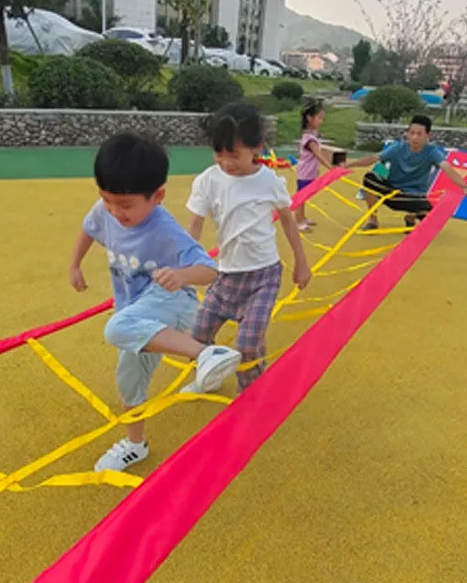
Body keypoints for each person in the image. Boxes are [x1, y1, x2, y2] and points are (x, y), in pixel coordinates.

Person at [69, 133, 242, 473]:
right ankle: (136, 445)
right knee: (128, 381)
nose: (116, 212)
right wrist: (75, 265)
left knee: (116, 328)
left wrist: (181, 276)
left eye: (126, 205)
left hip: (172, 301)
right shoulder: (105, 212)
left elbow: (209, 269)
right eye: (107, 200)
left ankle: (206, 353)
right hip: (138, 313)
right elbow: (89, 228)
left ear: (158, 196)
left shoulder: (164, 227)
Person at [184, 102, 313, 394]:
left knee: (248, 344)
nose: (226, 162)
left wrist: (301, 263)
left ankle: (250, 393)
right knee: (197, 337)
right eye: (219, 153)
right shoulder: (208, 180)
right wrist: (183, 266)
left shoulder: (268, 181)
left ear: (255, 147)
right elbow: (194, 226)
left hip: (262, 276)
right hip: (225, 277)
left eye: (234, 155)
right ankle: (210, 375)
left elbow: (289, 223)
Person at [345, 114, 467, 228]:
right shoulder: (398, 147)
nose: (414, 138)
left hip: (412, 196)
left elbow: (447, 168)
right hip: (391, 192)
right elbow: (374, 158)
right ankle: (373, 220)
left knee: (428, 215)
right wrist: (348, 165)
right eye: (411, 133)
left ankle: (410, 217)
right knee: (369, 178)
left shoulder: (432, 152)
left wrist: (464, 186)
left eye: (419, 134)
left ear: (428, 135)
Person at [295, 99, 334, 231]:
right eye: (319, 118)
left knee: (304, 196)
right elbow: (317, 153)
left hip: (309, 171)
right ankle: (298, 221)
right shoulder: (309, 139)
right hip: (305, 173)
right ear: (309, 118)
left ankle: (302, 217)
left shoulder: (312, 135)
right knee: (301, 197)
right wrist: (330, 167)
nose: (321, 121)